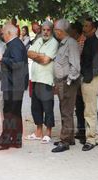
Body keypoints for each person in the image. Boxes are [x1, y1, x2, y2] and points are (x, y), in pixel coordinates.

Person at [0, 22, 28, 151]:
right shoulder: (15, 44)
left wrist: (2, 59)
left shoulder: (15, 45)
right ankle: (16, 140)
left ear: (9, 33)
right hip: (15, 84)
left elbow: (17, 64)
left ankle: (5, 141)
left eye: (2, 33)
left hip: (13, 85)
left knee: (9, 113)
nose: (2, 36)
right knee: (15, 113)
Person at [51, 19, 81, 153]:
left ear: (60, 31)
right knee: (64, 110)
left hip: (67, 82)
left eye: (56, 30)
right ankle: (69, 138)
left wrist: (68, 81)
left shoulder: (71, 43)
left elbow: (75, 66)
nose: (55, 33)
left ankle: (65, 141)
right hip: (61, 82)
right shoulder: (63, 44)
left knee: (66, 112)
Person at [26, 20, 58, 143]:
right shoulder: (38, 39)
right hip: (35, 78)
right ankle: (38, 132)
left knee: (48, 106)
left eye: (48, 30)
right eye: (44, 29)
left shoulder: (54, 43)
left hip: (46, 79)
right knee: (36, 106)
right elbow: (28, 53)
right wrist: (40, 56)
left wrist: (37, 56)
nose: (45, 32)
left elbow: (45, 60)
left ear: (52, 31)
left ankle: (48, 133)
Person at [79, 18, 98, 150]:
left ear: (93, 29)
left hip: (91, 79)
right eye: (84, 25)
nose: (84, 28)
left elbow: (96, 66)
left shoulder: (96, 43)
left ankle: (91, 139)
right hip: (88, 77)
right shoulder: (88, 41)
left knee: (90, 110)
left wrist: (86, 78)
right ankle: (93, 136)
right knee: (90, 109)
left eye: (87, 26)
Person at [69, 21, 86, 142]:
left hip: (83, 78)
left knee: (85, 105)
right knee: (78, 105)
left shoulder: (82, 41)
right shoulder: (75, 41)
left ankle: (85, 131)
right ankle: (81, 129)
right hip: (77, 78)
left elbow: (77, 58)